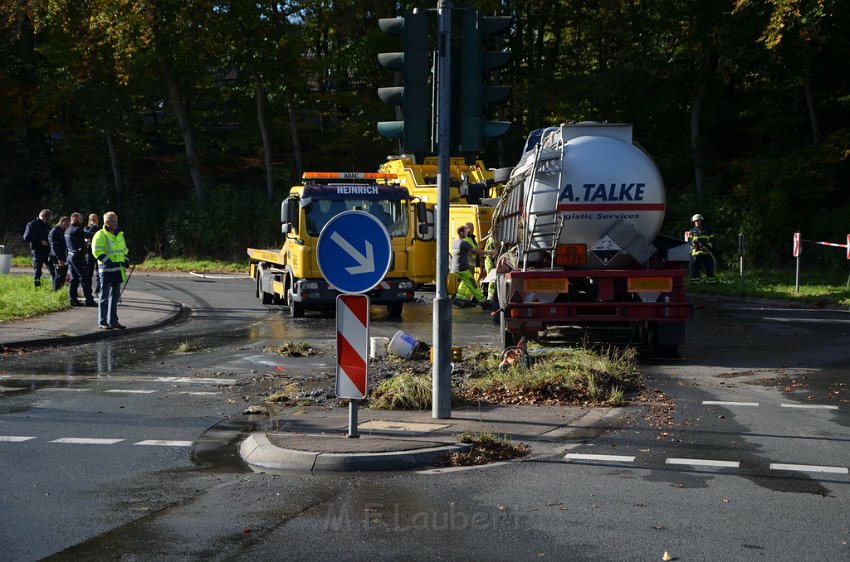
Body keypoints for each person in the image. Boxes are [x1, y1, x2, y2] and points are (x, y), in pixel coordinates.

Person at [91, 211, 129, 330]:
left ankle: (113, 320)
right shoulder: (100, 234)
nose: (115, 223)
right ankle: (102, 321)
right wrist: (108, 261)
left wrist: (126, 260)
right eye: (113, 221)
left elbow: (124, 250)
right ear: (106, 222)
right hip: (106, 270)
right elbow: (97, 251)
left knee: (115, 298)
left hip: (118, 270)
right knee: (104, 297)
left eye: (116, 221)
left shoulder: (119, 235)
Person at [451, 225, 493, 309]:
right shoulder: (464, 243)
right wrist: (488, 252)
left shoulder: (454, 243)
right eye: (465, 232)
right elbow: (475, 251)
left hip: (455, 268)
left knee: (465, 283)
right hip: (463, 268)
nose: (467, 233)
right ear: (461, 233)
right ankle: (483, 301)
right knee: (473, 284)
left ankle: (459, 299)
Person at [64, 212, 97, 307]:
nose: (82, 221)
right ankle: (89, 300)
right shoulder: (76, 230)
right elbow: (89, 235)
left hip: (70, 256)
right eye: (80, 219)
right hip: (78, 256)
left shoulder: (67, 230)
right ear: (74, 219)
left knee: (74, 279)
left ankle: (72, 299)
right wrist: (94, 227)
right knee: (85, 278)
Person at [22, 209, 53, 287]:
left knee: (53, 270)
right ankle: (37, 287)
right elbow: (26, 237)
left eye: (48, 219)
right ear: (41, 216)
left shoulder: (47, 225)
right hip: (37, 250)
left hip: (47, 250)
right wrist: (40, 241)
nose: (47, 221)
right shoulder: (32, 224)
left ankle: (55, 287)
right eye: (46, 219)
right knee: (37, 271)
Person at [688, 213, 716, 283]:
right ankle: (695, 283)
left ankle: (711, 282)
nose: (696, 223)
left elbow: (712, 241)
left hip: (706, 253)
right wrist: (694, 243)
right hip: (696, 253)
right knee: (695, 269)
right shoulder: (692, 231)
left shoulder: (708, 231)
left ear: (701, 221)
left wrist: (707, 246)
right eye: (695, 222)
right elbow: (689, 241)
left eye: (698, 221)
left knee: (709, 268)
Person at [48, 216, 71, 291]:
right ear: (63, 222)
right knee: (59, 276)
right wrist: (59, 259)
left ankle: (59, 291)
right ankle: (56, 292)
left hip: (63, 256)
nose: (68, 227)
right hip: (57, 257)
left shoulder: (61, 231)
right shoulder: (55, 232)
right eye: (67, 225)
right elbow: (54, 247)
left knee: (63, 276)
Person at [84, 213, 101, 296]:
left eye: (95, 220)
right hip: (89, 252)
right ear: (89, 221)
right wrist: (93, 227)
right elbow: (86, 235)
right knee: (89, 272)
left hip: (99, 252)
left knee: (99, 273)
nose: (94, 221)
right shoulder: (86, 228)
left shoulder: (100, 229)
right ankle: (88, 290)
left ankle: (98, 290)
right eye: (92, 220)